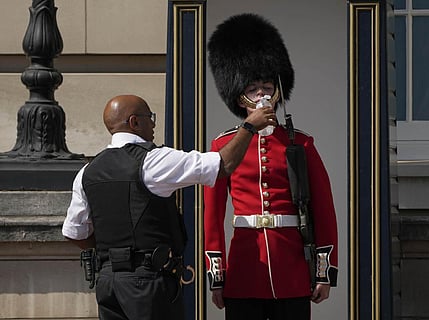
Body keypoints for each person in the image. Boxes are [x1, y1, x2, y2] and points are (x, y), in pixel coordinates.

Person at [62, 94, 276, 320]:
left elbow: (74, 232)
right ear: (134, 122)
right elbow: (223, 165)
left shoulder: (87, 171)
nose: (153, 124)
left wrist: (115, 251)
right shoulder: (153, 161)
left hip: (108, 283)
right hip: (147, 282)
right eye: (149, 117)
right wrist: (249, 127)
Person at [204, 13, 338, 320]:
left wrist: (323, 272)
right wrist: (217, 275)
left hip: (290, 265)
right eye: (254, 89)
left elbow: (324, 210)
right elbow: (212, 216)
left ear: (278, 92)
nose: (262, 95)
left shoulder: (301, 143)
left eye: (267, 87)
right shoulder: (222, 146)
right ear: (241, 98)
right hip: (245, 265)